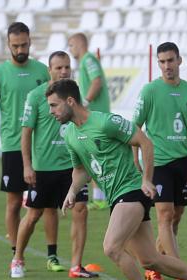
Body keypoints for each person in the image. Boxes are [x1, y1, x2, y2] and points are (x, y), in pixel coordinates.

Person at [46, 79, 187, 280]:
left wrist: (147, 180)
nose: (51, 112)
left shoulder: (105, 121)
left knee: (111, 247)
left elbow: (145, 142)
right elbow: (82, 170)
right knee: (150, 260)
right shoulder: (70, 135)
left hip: (131, 191)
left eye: (54, 106)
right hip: (117, 197)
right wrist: (72, 191)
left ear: (70, 101)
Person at [10, 51, 97, 279]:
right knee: (34, 214)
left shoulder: (74, 95)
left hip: (72, 167)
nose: (64, 71)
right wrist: (27, 165)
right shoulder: (36, 96)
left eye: (67, 67)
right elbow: (26, 132)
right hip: (44, 168)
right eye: (59, 67)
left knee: (80, 209)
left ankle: (76, 265)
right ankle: (18, 258)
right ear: (49, 70)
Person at [0, 22, 50, 258]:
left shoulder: (43, 71)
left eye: (23, 44)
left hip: (40, 146)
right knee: (13, 203)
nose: (20, 49)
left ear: (30, 41)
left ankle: (51, 254)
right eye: (15, 45)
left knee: (45, 205)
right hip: (12, 145)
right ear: (8, 45)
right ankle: (15, 252)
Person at [132, 42, 187, 280]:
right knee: (165, 215)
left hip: (184, 161)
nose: (167, 66)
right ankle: (180, 270)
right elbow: (134, 128)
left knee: (176, 215)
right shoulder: (150, 91)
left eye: (171, 60)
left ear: (180, 60)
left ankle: (155, 262)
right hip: (158, 162)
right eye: (162, 61)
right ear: (158, 63)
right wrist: (136, 159)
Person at [68, 32, 111, 210]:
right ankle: (100, 198)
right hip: (95, 117)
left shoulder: (88, 60)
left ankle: (102, 198)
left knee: (97, 157)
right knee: (96, 157)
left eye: (71, 46)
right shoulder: (86, 61)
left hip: (96, 116)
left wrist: (84, 103)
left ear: (78, 44)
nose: (70, 50)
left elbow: (97, 81)